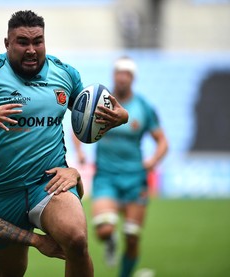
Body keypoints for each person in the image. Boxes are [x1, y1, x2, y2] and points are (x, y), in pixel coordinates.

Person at [0, 10, 128, 277]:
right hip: (3, 191)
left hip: (49, 182)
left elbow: (90, 113)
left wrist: (120, 117)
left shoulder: (65, 74)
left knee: (76, 240)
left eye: (37, 41)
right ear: (7, 44)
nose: (31, 49)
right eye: (22, 42)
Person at [73, 56, 168, 277]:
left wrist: (153, 161)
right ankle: (110, 241)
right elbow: (77, 125)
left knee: (133, 236)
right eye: (119, 73)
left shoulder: (143, 107)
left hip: (135, 177)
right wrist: (79, 152)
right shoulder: (99, 102)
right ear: (113, 75)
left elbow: (162, 141)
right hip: (106, 175)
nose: (122, 78)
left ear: (133, 78)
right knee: (104, 229)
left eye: (127, 74)